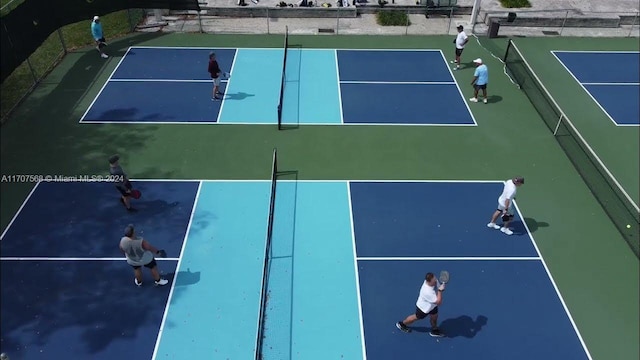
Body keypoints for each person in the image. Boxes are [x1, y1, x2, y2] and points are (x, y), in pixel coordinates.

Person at [396, 272, 446, 337]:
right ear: (429, 281)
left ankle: (434, 330)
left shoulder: (431, 280)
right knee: (416, 317)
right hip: (423, 308)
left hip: (432, 306)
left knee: (434, 316)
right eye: (434, 281)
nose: (436, 281)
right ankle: (402, 324)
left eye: (435, 278)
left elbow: (437, 284)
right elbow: (439, 302)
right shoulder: (427, 292)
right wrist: (440, 291)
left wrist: (441, 286)